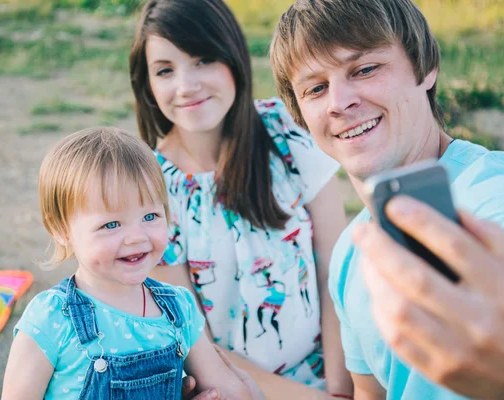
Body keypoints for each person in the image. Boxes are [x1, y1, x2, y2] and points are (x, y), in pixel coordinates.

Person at [270, 0, 504, 398]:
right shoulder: (349, 255)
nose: (339, 102)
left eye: (365, 69)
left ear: (425, 68)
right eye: (316, 88)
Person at [129, 1, 353, 399]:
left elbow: (334, 272)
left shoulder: (286, 133)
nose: (186, 85)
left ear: (233, 57)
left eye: (203, 60)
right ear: (147, 84)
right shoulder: (151, 191)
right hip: (240, 387)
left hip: (342, 365)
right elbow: (199, 345)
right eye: (165, 70)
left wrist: (340, 389)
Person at [1, 127, 259, 400]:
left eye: (150, 216)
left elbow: (225, 388)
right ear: (61, 230)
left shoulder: (178, 309)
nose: (136, 237)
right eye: (111, 224)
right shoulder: (52, 319)